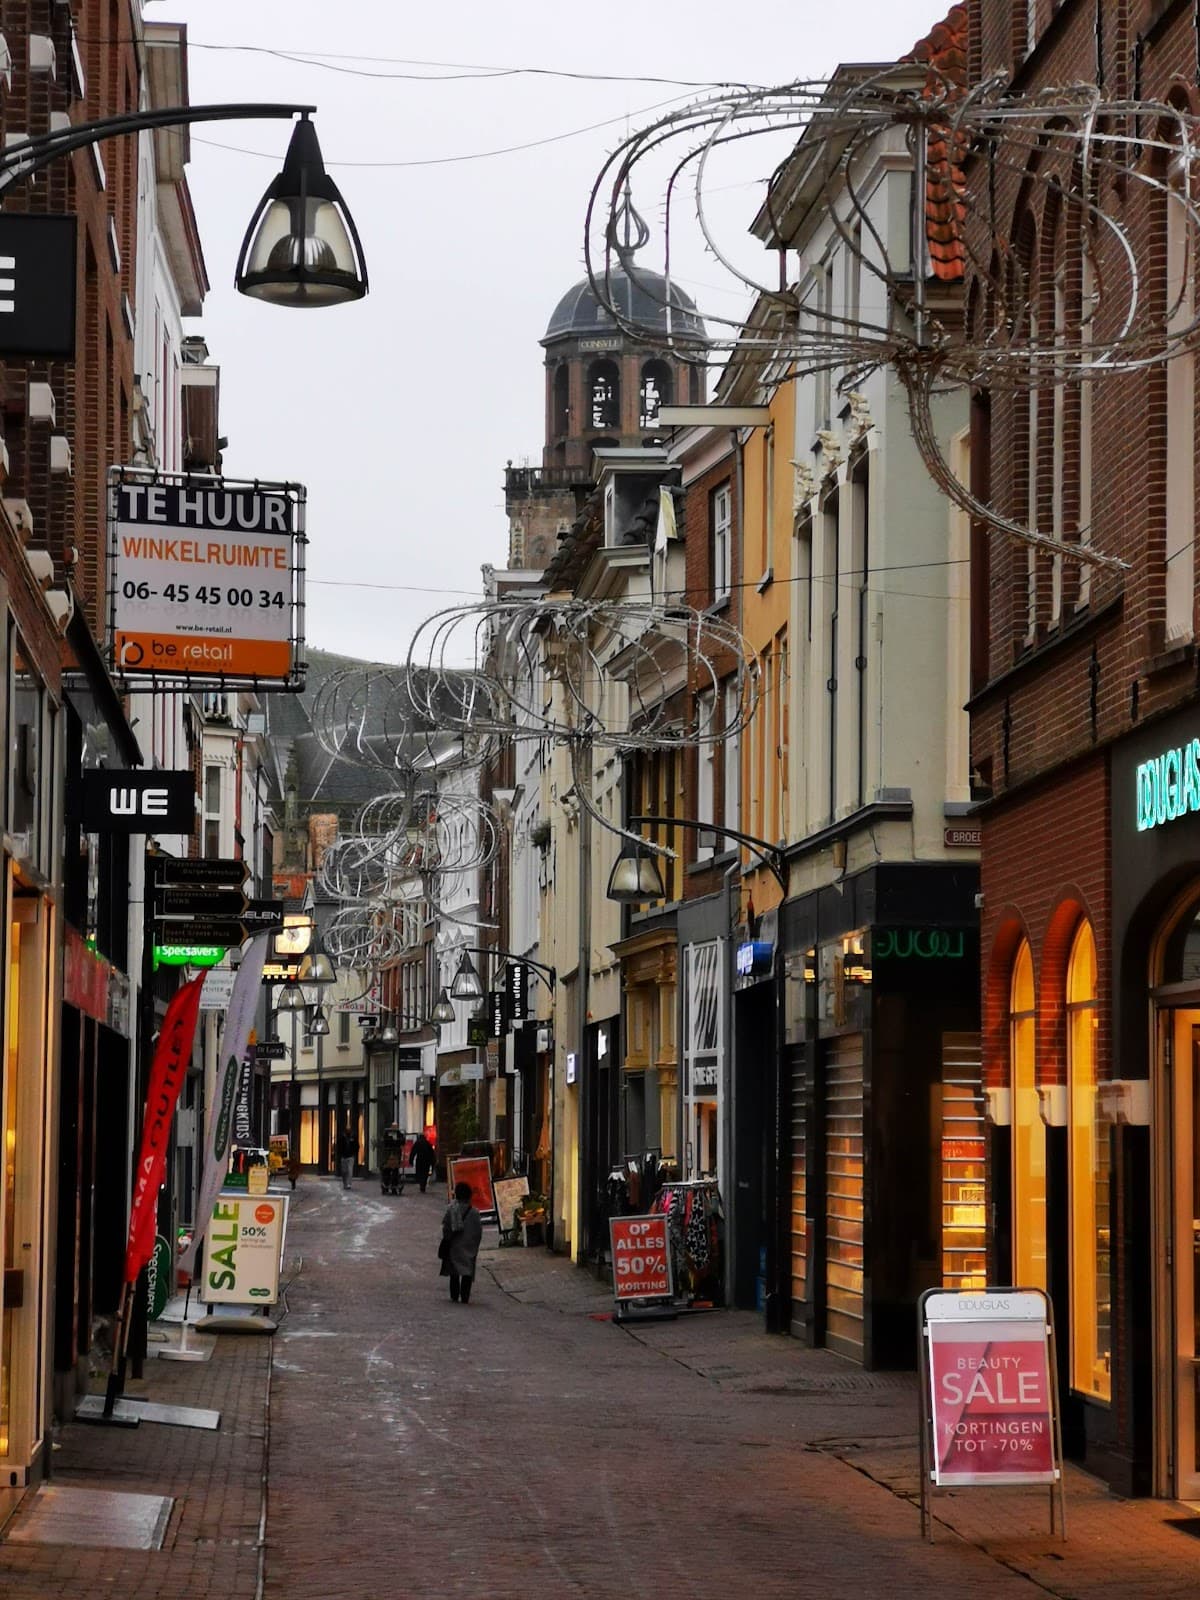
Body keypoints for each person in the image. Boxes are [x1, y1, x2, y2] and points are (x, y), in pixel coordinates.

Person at [441, 1181, 483, 1303]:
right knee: (467, 1272)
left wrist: (448, 1239)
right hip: (469, 1247)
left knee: (454, 1272)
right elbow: (478, 1231)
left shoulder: (451, 1209)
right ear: (469, 1196)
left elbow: (446, 1227)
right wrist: (475, 1245)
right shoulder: (474, 1212)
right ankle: (465, 1296)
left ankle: (454, 1295)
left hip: (454, 1246)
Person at [337, 1124, 357, 1189]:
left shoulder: (353, 1136)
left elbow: (356, 1145)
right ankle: (345, 1183)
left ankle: (349, 1184)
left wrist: (354, 1153)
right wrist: (340, 1154)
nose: (348, 1130)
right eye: (347, 1129)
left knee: (350, 1170)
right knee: (344, 1171)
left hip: (351, 1156)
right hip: (344, 1156)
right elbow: (339, 1145)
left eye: (349, 1129)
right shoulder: (342, 1137)